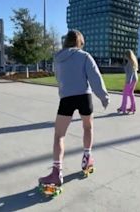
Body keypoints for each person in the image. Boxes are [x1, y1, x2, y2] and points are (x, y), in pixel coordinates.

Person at [38, 30, 110, 190]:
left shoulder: (57, 58)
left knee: (59, 135)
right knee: (88, 127)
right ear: (79, 42)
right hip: (84, 96)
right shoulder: (84, 56)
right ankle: (87, 158)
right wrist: (104, 97)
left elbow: (59, 78)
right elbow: (95, 77)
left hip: (67, 98)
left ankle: (57, 172)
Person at [117, 49, 139, 114]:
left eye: (125, 55)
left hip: (130, 80)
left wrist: (128, 81)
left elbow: (131, 73)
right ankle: (133, 108)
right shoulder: (133, 61)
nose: (124, 56)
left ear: (127, 55)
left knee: (125, 94)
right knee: (131, 93)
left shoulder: (130, 62)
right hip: (135, 79)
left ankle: (123, 108)